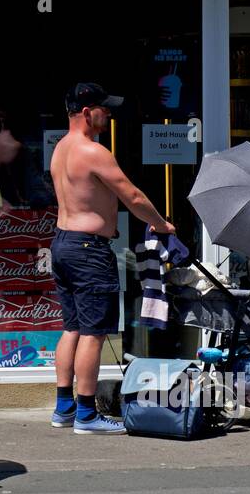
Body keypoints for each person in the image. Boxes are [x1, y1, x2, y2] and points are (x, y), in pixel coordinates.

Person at [49, 82, 175, 434]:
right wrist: (161, 223)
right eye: (104, 108)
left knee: (72, 326)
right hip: (88, 249)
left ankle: (64, 407)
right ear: (87, 112)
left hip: (64, 243)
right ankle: (87, 414)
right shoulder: (93, 151)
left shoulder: (61, 148)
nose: (110, 113)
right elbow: (132, 196)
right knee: (93, 332)